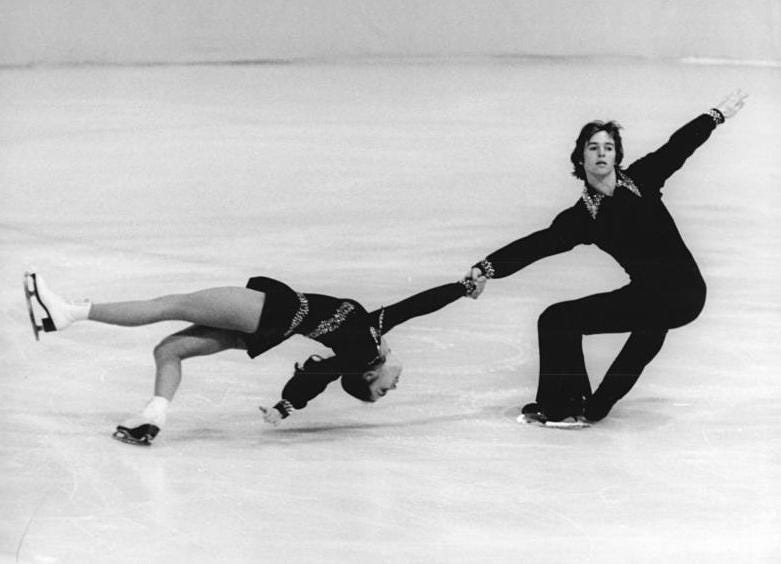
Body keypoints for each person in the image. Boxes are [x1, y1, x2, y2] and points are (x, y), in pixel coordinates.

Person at [465, 90, 748, 427]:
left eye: (608, 147)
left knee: (650, 328)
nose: (602, 153)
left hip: (685, 292)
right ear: (580, 159)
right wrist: (487, 267)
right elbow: (536, 245)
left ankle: (592, 406)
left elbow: (679, 146)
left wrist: (715, 115)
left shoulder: (643, 179)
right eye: (593, 147)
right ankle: (564, 403)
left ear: (617, 157)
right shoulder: (583, 217)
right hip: (646, 294)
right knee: (556, 319)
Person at [24, 270, 485, 444]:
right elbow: (417, 305)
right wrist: (460, 289)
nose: (394, 386)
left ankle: (66, 313)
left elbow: (324, 377)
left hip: (272, 311)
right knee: (169, 349)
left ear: (369, 375)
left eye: (383, 389)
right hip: (265, 331)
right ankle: (154, 416)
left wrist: (293, 401)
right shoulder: (369, 337)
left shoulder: (363, 350)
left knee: (170, 304)